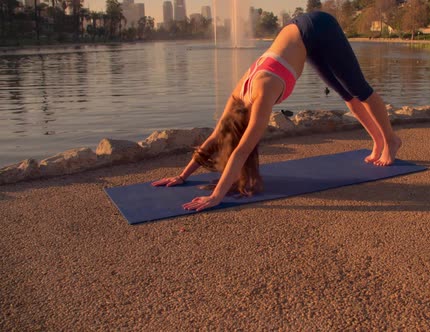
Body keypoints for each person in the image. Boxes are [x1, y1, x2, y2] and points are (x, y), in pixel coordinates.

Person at [151, 11, 402, 211]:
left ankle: (390, 140)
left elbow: (241, 150)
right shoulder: (237, 96)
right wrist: (182, 175)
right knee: (347, 94)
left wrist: (216, 196)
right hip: (302, 34)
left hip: (318, 26)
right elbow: (216, 136)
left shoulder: (261, 95)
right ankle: (377, 140)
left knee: (360, 88)